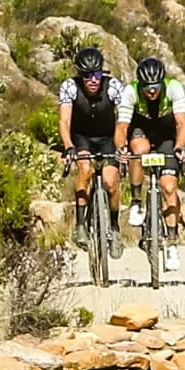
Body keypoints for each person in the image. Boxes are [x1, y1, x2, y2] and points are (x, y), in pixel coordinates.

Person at [121, 53, 185, 267]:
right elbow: (122, 126)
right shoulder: (130, 91)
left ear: (162, 82)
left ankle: (172, 243)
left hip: (167, 137)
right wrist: (121, 147)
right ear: (140, 84)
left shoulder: (174, 88)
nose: (151, 90)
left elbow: (183, 123)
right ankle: (136, 203)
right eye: (147, 86)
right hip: (141, 132)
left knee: (169, 187)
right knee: (138, 150)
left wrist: (179, 147)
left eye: (155, 86)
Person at [56, 45, 122, 244]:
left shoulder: (113, 86)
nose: (93, 80)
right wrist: (68, 146)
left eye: (97, 74)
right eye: (87, 75)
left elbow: (124, 119)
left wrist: (122, 146)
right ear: (79, 74)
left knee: (111, 181)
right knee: (85, 170)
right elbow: (64, 121)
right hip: (82, 137)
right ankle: (80, 225)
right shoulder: (69, 87)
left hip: (108, 137)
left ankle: (114, 225)